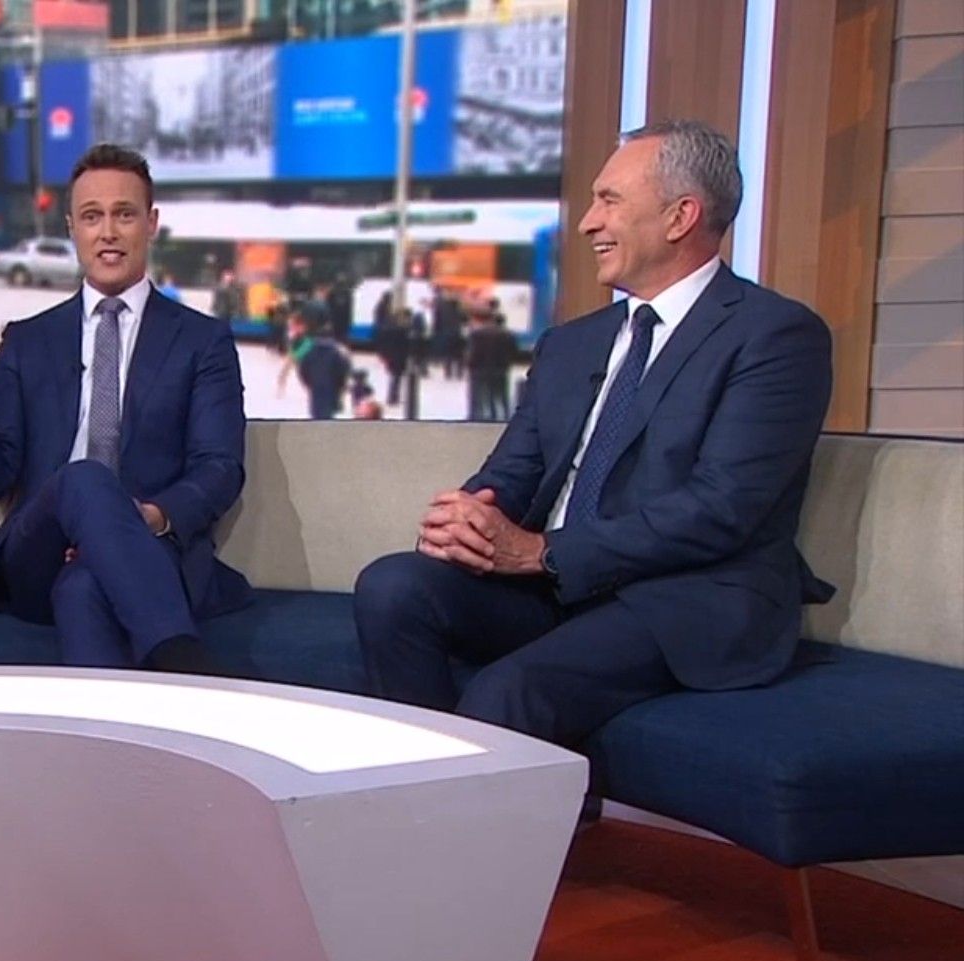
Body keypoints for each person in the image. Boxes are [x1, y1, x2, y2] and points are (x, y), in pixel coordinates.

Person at [353, 120, 836, 746]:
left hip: (681, 599)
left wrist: (544, 552)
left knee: (510, 689)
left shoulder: (774, 336)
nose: (587, 223)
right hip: (554, 584)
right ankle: (424, 782)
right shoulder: (572, 343)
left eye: (609, 200)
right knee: (392, 588)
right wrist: (469, 518)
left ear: (680, 216)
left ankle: (468, 802)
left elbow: (722, 508)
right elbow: (515, 470)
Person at [0, 143, 248, 672]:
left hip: (149, 547)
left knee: (83, 588)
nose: (108, 232)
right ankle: (185, 664)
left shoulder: (201, 341)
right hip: (39, 552)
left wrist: (151, 517)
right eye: (92, 217)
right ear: (72, 228)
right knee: (84, 479)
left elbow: (219, 466)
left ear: (151, 223)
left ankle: (137, 712)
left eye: (124, 215)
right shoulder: (28, 340)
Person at [464, 305, 519, 421]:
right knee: (501, 395)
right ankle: (503, 415)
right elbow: (514, 353)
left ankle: (479, 416)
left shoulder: (478, 334)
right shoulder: (508, 335)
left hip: (480, 369)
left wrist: (469, 364)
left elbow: (473, 353)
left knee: (480, 395)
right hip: (500, 369)